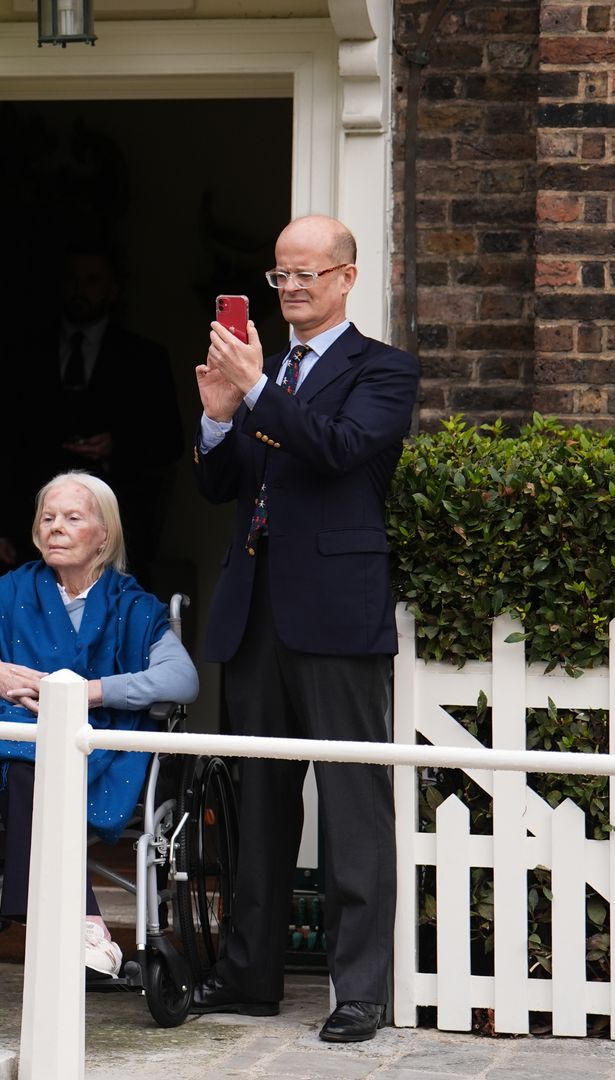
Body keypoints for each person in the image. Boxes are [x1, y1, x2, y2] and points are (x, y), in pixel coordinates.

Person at [187, 214, 419, 1043]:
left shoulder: (383, 370)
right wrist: (218, 418)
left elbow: (337, 449)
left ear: (347, 278)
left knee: (354, 807)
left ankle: (359, 993)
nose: (289, 288)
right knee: (259, 805)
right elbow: (226, 487)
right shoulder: (266, 369)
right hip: (254, 613)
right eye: (280, 275)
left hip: (336, 614)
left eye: (306, 274)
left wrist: (254, 393)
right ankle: (249, 976)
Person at [0, 471, 197, 982]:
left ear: (105, 534)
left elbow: (181, 679)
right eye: (47, 517)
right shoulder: (10, 592)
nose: (56, 527)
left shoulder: (132, 606)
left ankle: (82, 924)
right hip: (1, 737)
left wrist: (92, 691)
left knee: (25, 767)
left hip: (92, 745)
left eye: (72, 518)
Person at [0, 245, 183, 585]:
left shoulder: (144, 358)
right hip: (32, 531)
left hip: (118, 530)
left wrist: (117, 446)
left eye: (92, 280)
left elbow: (170, 444)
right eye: (73, 280)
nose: (80, 289)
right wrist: (2, 526)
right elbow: (4, 441)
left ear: (114, 289)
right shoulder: (24, 353)